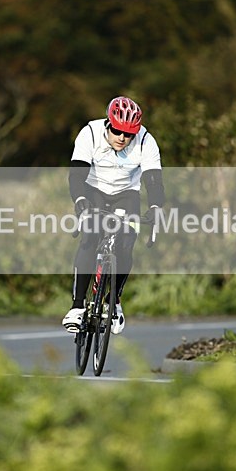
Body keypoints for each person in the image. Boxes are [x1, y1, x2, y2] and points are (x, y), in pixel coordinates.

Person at [62, 95, 164, 334]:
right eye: (118, 131)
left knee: (126, 244)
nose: (122, 138)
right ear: (109, 123)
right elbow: (76, 174)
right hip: (93, 189)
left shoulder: (145, 141)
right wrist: (79, 200)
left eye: (128, 133)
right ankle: (77, 307)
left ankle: (113, 301)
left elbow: (153, 180)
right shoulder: (90, 133)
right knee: (89, 236)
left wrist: (156, 207)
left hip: (127, 194)